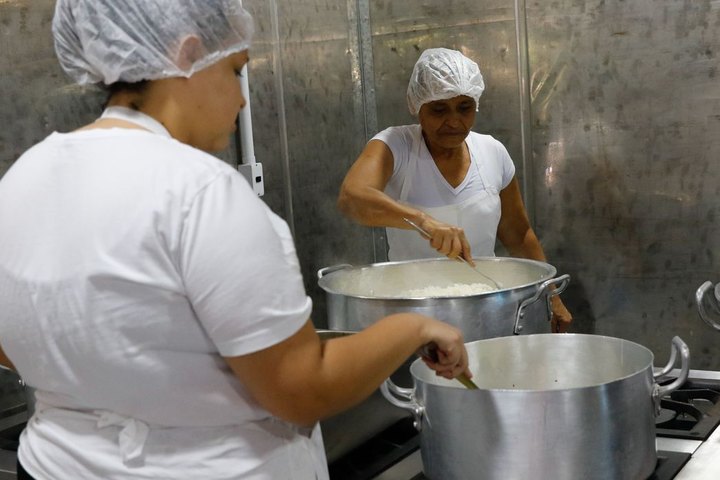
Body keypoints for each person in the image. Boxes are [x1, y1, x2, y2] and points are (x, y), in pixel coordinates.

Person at [0, 2, 471, 479]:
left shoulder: (24, 177)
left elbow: (9, 344)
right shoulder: (202, 193)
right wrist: (413, 327)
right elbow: (303, 389)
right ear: (187, 55)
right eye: (234, 71)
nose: (243, 100)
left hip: (52, 466)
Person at [338, 47, 572, 332]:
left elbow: (519, 234)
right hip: (414, 313)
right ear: (417, 106)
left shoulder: (492, 152)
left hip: (487, 308)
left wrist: (552, 297)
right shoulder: (396, 146)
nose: (453, 121)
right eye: (439, 109)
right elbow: (352, 198)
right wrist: (423, 221)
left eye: (464, 108)